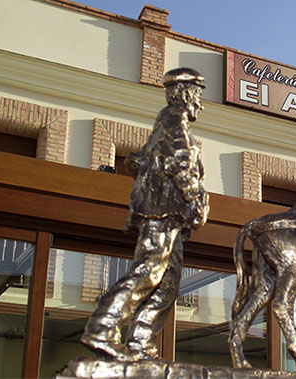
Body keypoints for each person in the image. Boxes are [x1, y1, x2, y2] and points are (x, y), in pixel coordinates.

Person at [81, 68, 210, 361]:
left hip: (172, 217)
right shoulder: (173, 121)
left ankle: (140, 342)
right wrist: (195, 198)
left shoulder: (164, 125)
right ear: (187, 94)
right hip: (161, 214)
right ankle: (102, 327)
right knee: (148, 270)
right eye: (198, 96)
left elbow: (137, 160)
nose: (200, 104)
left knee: (168, 283)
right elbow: (180, 161)